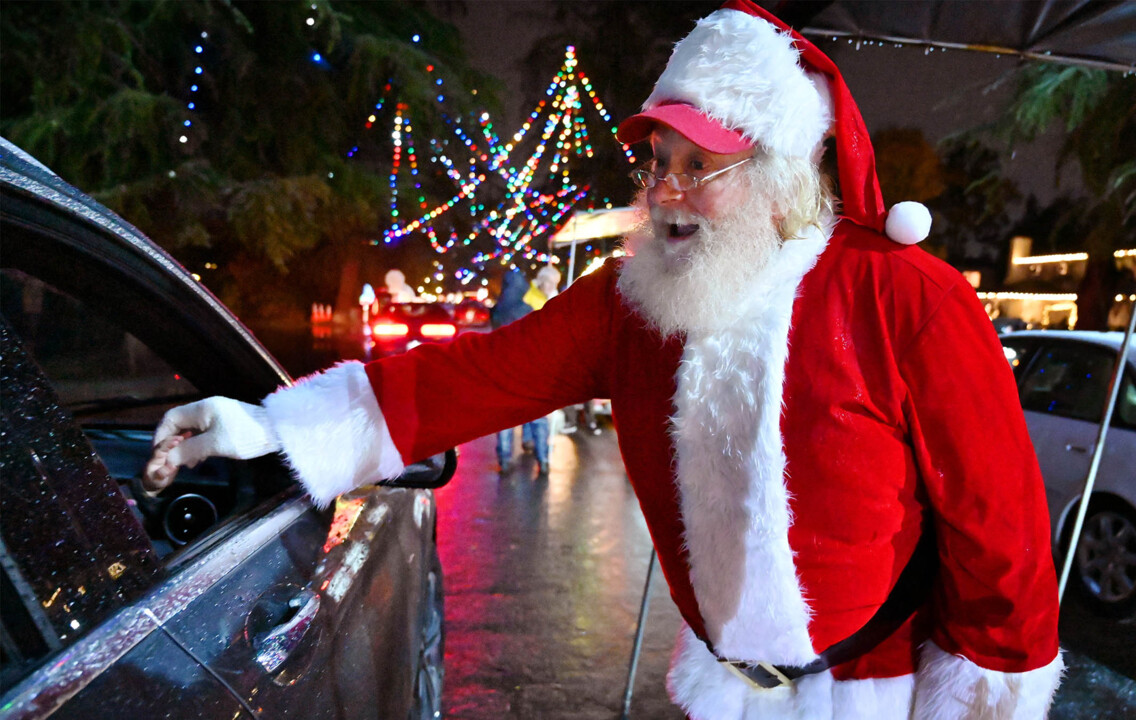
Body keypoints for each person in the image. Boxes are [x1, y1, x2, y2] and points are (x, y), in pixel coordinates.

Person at [146, 2, 1063, 717]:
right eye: (654, 160)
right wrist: (268, 425)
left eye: (695, 165)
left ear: (781, 172)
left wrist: (982, 703)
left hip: (882, 698)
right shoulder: (635, 303)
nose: (662, 190)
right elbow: (472, 378)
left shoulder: (903, 297)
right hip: (725, 695)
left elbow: (1001, 537)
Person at [488, 266, 550, 475]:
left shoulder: (496, 311)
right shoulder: (528, 310)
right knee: (538, 418)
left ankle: (504, 459)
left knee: (505, 419)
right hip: (529, 370)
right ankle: (543, 459)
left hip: (503, 371)